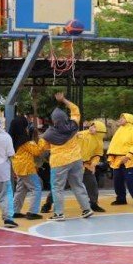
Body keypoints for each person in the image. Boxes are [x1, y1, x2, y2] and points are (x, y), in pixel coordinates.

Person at [37, 92, 94, 221]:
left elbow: (42, 148)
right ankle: (86, 209)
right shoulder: (73, 125)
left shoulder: (48, 134)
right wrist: (63, 100)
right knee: (78, 184)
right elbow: (75, 110)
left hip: (59, 162)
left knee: (57, 188)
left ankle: (59, 213)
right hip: (76, 159)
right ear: (65, 117)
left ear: (54, 120)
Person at [107, 113, 133, 208]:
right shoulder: (119, 131)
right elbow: (114, 145)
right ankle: (121, 199)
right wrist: (111, 157)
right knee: (117, 180)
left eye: (123, 118)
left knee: (131, 180)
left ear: (129, 120)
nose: (120, 119)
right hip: (118, 160)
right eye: (120, 118)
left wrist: (128, 156)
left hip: (132, 159)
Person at [10, 118, 44, 220]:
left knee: (21, 189)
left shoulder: (12, 140)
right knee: (36, 187)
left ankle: (15, 211)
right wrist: (42, 140)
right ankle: (32, 212)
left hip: (18, 167)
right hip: (27, 168)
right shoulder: (25, 142)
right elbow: (37, 151)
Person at [78, 121, 107, 213]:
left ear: (100, 130)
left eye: (94, 127)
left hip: (86, 164)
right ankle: (48, 204)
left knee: (92, 184)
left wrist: (93, 164)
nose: (91, 127)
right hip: (72, 163)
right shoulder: (81, 135)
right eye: (91, 126)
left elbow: (97, 154)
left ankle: (93, 204)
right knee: (60, 184)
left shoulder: (99, 141)